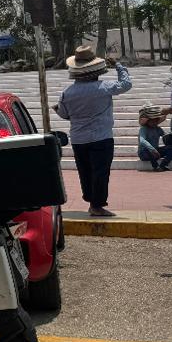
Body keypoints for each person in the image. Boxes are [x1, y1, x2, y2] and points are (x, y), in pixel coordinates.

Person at [54, 47, 132, 218]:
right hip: (101, 137)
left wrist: (58, 110)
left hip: (78, 139)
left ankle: (91, 201)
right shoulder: (104, 87)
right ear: (97, 70)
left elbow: (64, 114)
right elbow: (126, 84)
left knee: (85, 171)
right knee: (100, 172)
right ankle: (97, 205)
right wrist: (119, 66)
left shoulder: (67, 93)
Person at [137, 103, 172, 171]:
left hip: (156, 151)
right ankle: (155, 166)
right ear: (148, 121)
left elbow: (166, 137)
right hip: (144, 153)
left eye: (156, 120)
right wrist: (153, 150)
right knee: (146, 150)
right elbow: (142, 141)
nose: (155, 122)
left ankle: (163, 165)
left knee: (171, 149)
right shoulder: (143, 129)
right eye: (152, 121)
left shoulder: (158, 129)